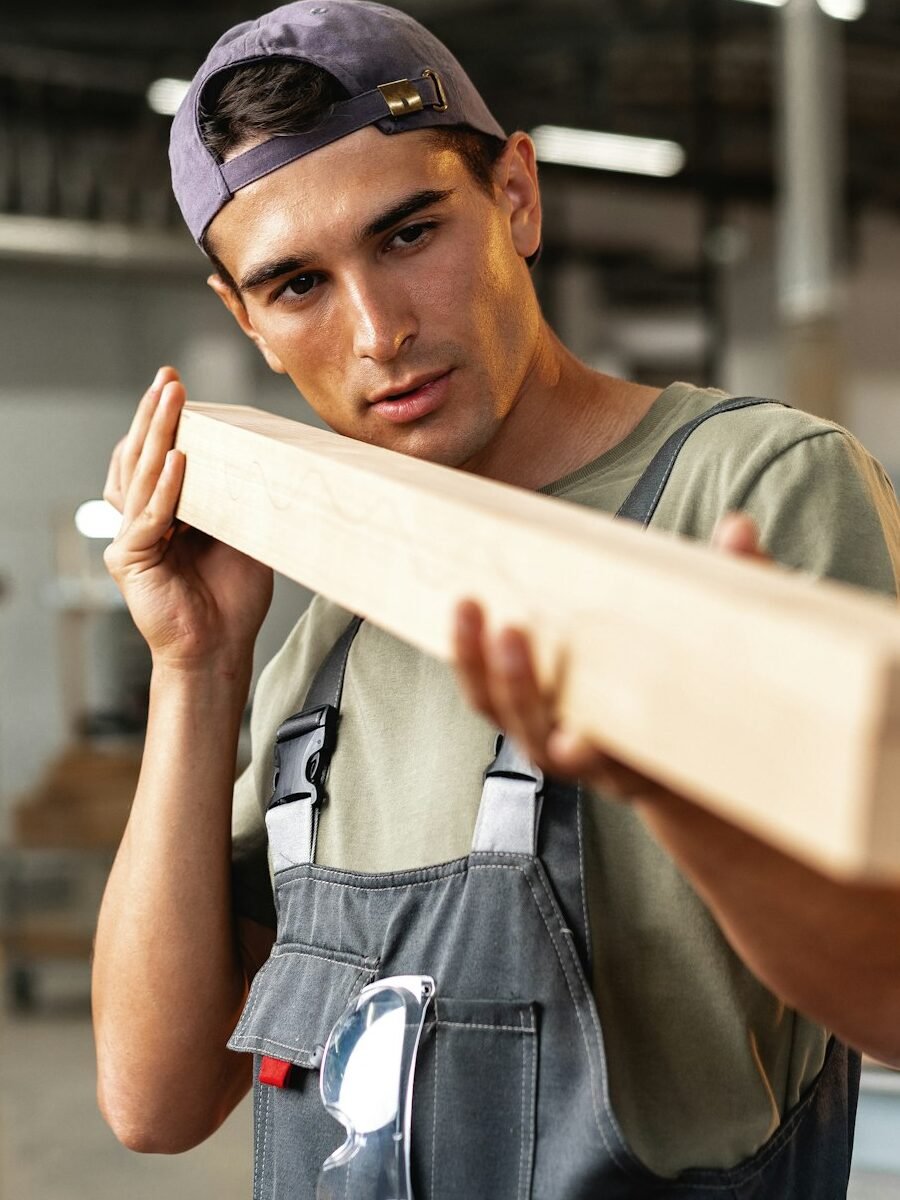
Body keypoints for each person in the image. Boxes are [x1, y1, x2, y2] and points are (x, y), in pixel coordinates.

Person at [91, 2, 900, 1196]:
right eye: (299, 284)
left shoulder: (748, 494)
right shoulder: (329, 616)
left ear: (516, 196)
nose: (379, 332)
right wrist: (195, 666)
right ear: (245, 321)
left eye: (411, 232)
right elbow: (154, 1101)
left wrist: (668, 790)